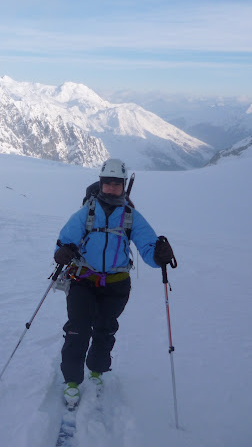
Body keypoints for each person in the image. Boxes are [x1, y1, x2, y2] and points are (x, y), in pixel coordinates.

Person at [53, 158, 174, 407]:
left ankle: (96, 372)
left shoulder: (131, 217)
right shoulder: (86, 212)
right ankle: (72, 382)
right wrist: (62, 252)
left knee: (105, 329)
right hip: (83, 280)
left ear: (123, 186)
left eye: (116, 184)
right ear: (100, 184)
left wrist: (159, 256)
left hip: (116, 284)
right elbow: (65, 239)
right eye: (106, 183)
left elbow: (148, 247)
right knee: (77, 330)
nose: (110, 188)